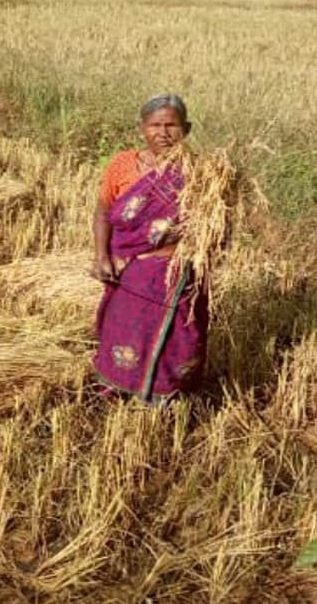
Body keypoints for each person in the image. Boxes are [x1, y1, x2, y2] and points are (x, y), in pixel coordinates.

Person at [90, 93, 209, 404]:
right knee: (123, 333)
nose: (163, 132)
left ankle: (164, 401)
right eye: (155, 125)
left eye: (172, 125)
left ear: (187, 128)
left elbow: (214, 228)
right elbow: (103, 211)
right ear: (142, 128)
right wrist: (102, 256)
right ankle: (116, 394)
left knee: (176, 339)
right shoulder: (122, 165)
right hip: (127, 270)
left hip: (175, 272)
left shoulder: (202, 174)